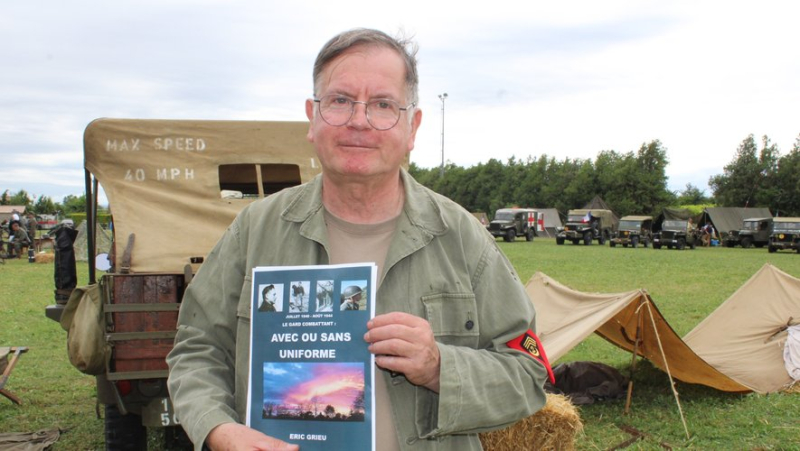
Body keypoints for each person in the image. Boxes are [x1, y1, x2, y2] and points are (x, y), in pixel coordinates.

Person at [167, 28, 551, 451]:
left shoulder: (462, 238)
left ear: (412, 126)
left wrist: (440, 367)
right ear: (313, 117)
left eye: (383, 105)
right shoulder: (254, 230)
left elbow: (529, 372)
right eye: (340, 101)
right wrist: (218, 429)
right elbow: (196, 349)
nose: (358, 120)